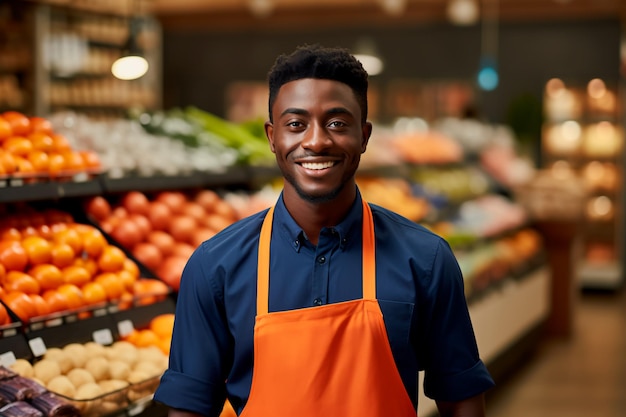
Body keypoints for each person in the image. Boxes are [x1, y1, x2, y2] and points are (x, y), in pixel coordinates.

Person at [153, 44, 495, 417]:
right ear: (272, 137)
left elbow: (462, 400)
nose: (316, 141)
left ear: (364, 136)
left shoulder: (426, 260)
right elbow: (187, 410)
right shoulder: (214, 267)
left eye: (337, 123)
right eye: (296, 124)